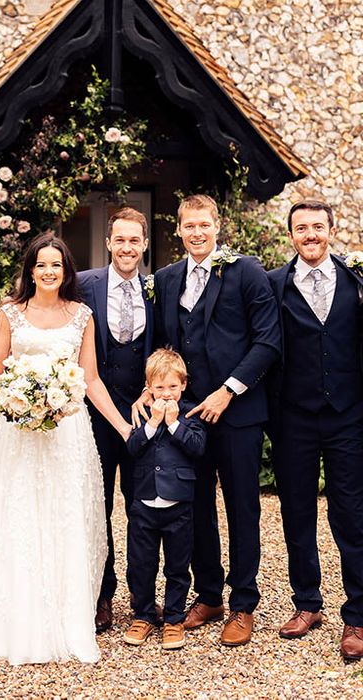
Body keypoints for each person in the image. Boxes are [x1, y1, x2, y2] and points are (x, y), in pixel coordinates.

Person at [0, 232, 132, 665]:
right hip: (20, 433)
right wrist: (21, 400)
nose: (49, 272)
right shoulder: (11, 313)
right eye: (41, 264)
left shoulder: (82, 315)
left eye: (57, 265)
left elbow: (90, 380)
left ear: (66, 272)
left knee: (65, 518)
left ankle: (65, 620)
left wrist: (123, 427)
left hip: (68, 432)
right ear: (30, 270)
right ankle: (16, 621)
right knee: (19, 518)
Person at [134, 194, 280, 646]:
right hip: (185, 417)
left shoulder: (247, 272)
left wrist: (227, 390)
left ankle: (242, 603)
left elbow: (268, 341)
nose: (196, 233)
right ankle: (209, 593)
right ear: (178, 230)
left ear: (217, 226)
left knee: (241, 506)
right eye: (188, 226)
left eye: (204, 225)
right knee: (191, 508)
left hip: (237, 413)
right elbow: (162, 343)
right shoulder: (167, 278)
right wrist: (152, 388)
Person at [267, 200, 363, 660]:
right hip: (294, 418)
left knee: (351, 515)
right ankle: (307, 603)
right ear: (291, 236)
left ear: (331, 229)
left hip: (348, 415)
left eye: (317, 227)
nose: (310, 235)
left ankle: (358, 615)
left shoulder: (357, 280)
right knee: (297, 514)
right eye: (301, 228)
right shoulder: (273, 285)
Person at [77, 206, 154, 631]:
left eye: (134, 240)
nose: (127, 247)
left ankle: (144, 600)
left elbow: (164, 347)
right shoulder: (85, 285)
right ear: (108, 243)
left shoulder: (159, 288)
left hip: (144, 414)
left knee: (144, 509)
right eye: (119, 240)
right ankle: (101, 595)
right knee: (98, 505)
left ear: (144, 244)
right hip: (94, 416)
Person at [123, 348, 205, 650]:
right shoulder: (143, 414)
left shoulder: (190, 414)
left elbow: (197, 447)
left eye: (172, 386)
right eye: (159, 388)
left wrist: (173, 423)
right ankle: (143, 614)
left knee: (177, 566)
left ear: (183, 385)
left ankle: (173, 618)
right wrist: (154, 423)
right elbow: (132, 447)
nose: (167, 393)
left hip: (178, 504)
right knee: (141, 563)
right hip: (144, 503)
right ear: (149, 388)